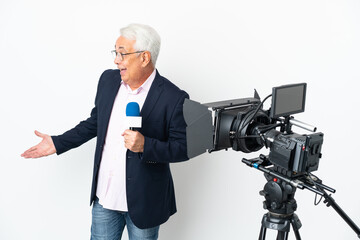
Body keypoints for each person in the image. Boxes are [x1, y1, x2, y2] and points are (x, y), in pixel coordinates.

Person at [21, 23, 189, 240]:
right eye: (115, 53)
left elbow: (183, 148)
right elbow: (95, 123)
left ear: (144, 58)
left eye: (122, 54)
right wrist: (58, 142)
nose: (116, 60)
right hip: (105, 199)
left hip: (144, 202)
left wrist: (146, 145)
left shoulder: (174, 97)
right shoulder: (108, 81)